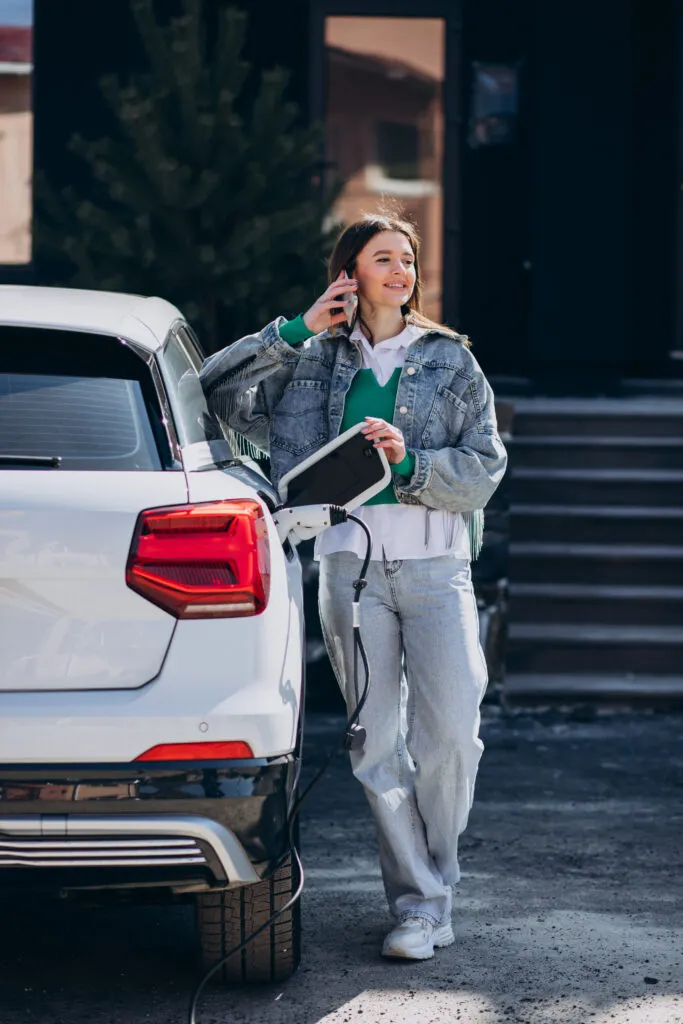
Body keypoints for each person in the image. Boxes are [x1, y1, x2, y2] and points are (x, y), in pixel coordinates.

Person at [200, 211, 507, 961]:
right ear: (350, 272)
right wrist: (296, 329)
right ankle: (420, 906)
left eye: (408, 259)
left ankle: (437, 878)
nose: (401, 271)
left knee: (452, 738)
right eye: (384, 258)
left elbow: (485, 467)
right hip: (349, 571)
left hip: (435, 571)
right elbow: (214, 392)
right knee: (376, 743)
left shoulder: (449, 361)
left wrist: (410, 464)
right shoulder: (310, 359)